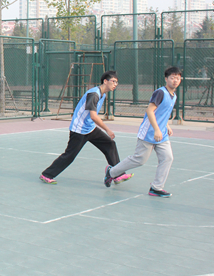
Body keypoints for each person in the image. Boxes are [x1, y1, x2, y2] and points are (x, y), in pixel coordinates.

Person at [39, 71, 132, 185]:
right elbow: (93, 116)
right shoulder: (94, 94)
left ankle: (117, 175)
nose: (115, 84)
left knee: (110, 144)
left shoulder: (103, 95)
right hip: (79, 130)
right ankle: (46, 175)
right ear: (105, 81)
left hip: (90, 128)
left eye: (117, 82)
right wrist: (107, 129)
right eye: (113, 81)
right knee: (70, 155)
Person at [104, 66, 182, 197]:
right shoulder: (160, 93)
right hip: (149, 132)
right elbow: (150, 111)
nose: (175, 81)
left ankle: (156, 187)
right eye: (172, 78)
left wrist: (166, 125)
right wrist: (156, 129)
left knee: (167, 158)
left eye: (178, 78)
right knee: (139, 159)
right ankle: (111, 172)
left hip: (161, 134)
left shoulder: (173, 96)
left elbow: (162, 113)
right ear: (166, 79)